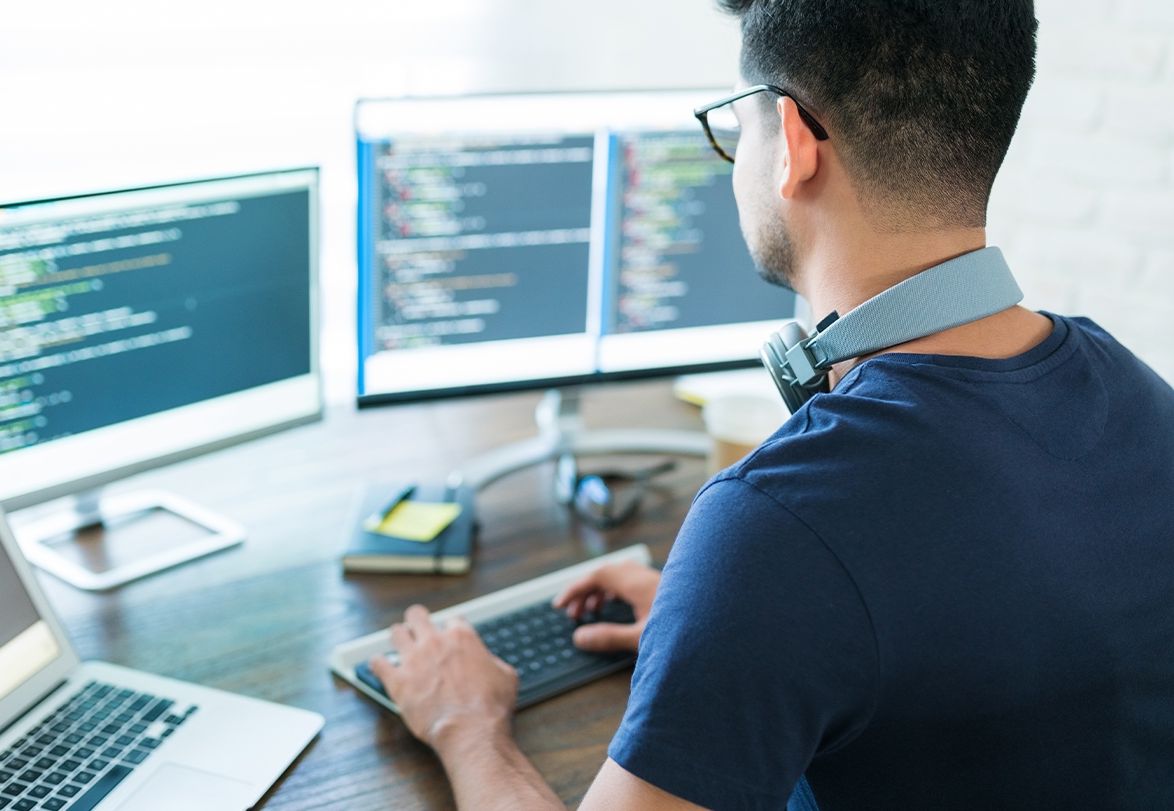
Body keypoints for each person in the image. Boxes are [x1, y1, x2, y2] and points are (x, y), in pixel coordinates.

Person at [366, 0, 1174, 809]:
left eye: (736, 125)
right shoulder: (1143, 396)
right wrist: (735, 634)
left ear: (792, 144)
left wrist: (467, 723)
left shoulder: (781, 523)